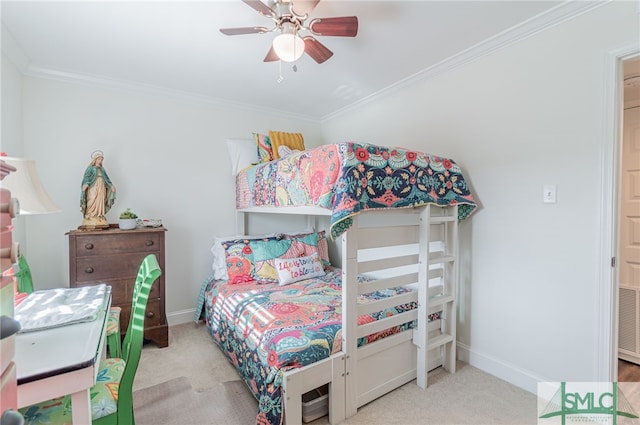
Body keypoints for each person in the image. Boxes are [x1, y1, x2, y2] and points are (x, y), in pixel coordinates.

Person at [80, 150, 116, 229]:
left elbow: (106, 178)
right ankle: (90, 215)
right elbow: (86, 177)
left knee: (100, 200)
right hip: (93, 186)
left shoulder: (102, 169)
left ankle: (99, 215)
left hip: (101, 185)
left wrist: (111, 185)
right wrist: (86, 183)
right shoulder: (90, 168)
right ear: (95, 159)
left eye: (101, 160)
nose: (100, 161)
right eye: (99, 159)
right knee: (92, 199)